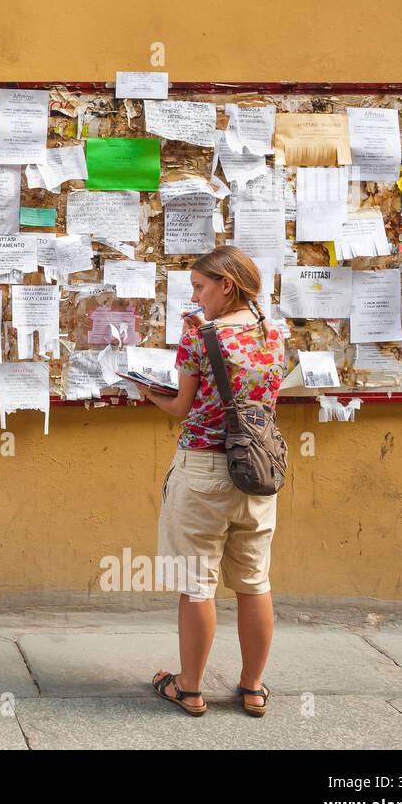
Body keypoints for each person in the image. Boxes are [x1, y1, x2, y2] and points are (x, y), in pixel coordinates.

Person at [136, 245, 286, 718]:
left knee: (196, 585)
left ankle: (191, 688)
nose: (196, 297)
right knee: (254, 581)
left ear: (227, 284)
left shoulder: (201, 338)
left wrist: (148, 393)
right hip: (257, 470)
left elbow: (181, 407)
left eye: (201, 287)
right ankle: (253, 688)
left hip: (203, 469)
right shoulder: (275, 334)